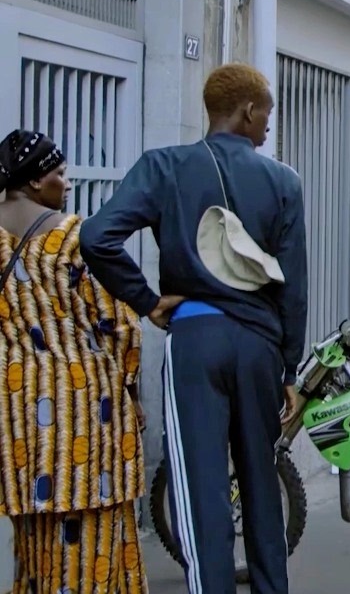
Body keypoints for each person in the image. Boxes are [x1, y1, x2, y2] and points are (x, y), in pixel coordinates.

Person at [80, 63, 308, 594]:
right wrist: (290, 367)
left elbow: (97, 237)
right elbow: (293, 286)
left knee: (202, 488)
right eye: (267, 113)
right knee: (261, 481)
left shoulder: (165, 167)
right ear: (249, 111)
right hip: (259, 347)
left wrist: (148, 301)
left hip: (196, 341)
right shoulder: (283, 181)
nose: (268, 126)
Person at [0, 131, 148, 594]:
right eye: (59, 174)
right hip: (85, 405)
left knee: (34, 537)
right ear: (34, 181)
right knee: (94, 536)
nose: (65, 184)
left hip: (19, 406)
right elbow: (118, 324)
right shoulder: (75, 239)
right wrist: (131, 390)